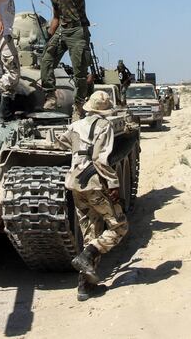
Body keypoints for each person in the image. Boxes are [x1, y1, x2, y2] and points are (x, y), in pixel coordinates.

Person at [56, 91, 128, 301]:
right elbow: (100, 158)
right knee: (119, 226)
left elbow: (61, 142)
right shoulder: (104, 126)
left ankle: (84, 287)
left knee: (90, 231)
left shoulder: (76, 125)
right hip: (94, 183)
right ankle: (87, 256)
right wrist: (114, 183)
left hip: (75, 183)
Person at [29, 0, 92, 120]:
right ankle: (50, 96)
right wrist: (48, 36)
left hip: (78, 30)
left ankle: (78, 107)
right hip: (62, 30)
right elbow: (56, 17)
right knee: (46, 60)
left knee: (79, 71)